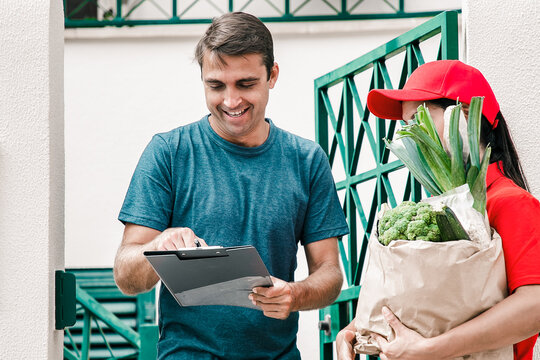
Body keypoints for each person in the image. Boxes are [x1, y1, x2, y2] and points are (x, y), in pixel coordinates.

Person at [113, 11, 349, 360]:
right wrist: (160, 246)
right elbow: (125, 275)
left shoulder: (306, 160)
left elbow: (329, 274)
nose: (231, 101)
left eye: (245, 84)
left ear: (272, 76)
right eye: (216, 86)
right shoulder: (169, 153)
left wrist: (295, 295)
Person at [335, 60, 540, 360]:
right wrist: (354, 330)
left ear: (464, 116)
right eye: (405, 126)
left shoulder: (511, 202)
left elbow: (534, 306)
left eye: (418, 120)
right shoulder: (436, 210)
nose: (409, 136)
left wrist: (429, 349)